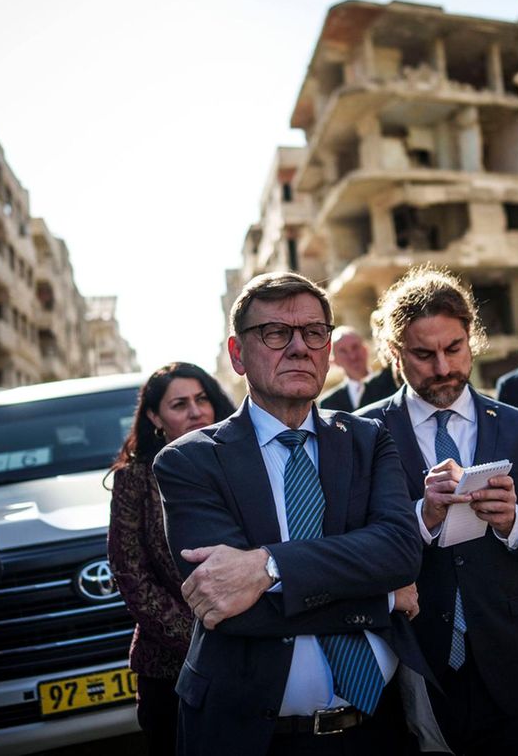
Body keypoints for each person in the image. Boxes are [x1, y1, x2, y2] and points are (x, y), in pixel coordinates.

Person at [152, 271, 442, 756]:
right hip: (254, 736)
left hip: (380, 728)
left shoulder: (369, 440)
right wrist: (380, 602)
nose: (299, 347)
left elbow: (397, 553)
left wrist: (268, 567)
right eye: (275, 333)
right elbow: (229, 607)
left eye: (313, 332)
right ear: (237, 354)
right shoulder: (190, 461)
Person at [356, 267, 518, 755]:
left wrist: (514, 522)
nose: (442, 368)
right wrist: (422, 518)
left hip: (512, 665)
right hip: (413, 668)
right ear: (395, 353)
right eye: (423, 354)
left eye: (453, 349)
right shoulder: (362, 434)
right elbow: (351, 546)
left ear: (472, 341)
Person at [110, 362, 237, 755]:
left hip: (254, 659)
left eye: (201, 399)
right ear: (154, 417)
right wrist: (202, 639)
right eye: (179, 404)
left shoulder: (241, 463)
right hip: (170, 669)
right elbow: (130, 573)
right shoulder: (134, 479)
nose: (196, 411)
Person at [319, 326, 400, 412]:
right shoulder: (328, 405)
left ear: (365, 349)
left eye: (355, 347)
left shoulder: (392, 383)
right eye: (343, 351)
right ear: (335, 360)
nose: (352, 356)